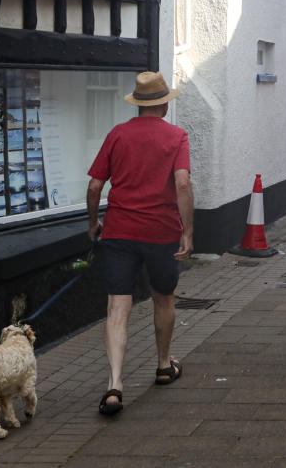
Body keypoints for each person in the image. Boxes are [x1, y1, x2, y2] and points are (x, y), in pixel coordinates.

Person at [86, 71, 194, 415]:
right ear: (163, 104)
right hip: (160, 233)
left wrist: (93, 223)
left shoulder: (117, 134)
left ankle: (114, 385)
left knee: (117, 308)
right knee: (164, 299)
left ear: (138, 104)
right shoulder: (176, 137)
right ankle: (164, 365)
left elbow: (93, 187)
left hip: (118, 231)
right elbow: (182, 184)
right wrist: (187, 232)